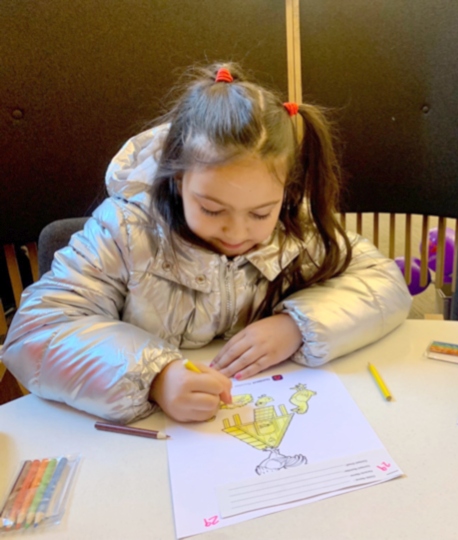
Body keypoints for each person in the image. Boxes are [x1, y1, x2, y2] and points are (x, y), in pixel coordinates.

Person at [2, 63, 412, 423]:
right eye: (213, 210)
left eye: (259, 213)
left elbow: (382, 281)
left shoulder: (296, 227)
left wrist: (298, 327)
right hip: (146, 441)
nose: (236, 233)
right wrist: (155, 376)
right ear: (178, 181)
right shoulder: (126, 231)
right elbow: (35, 331)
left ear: (286, 193)